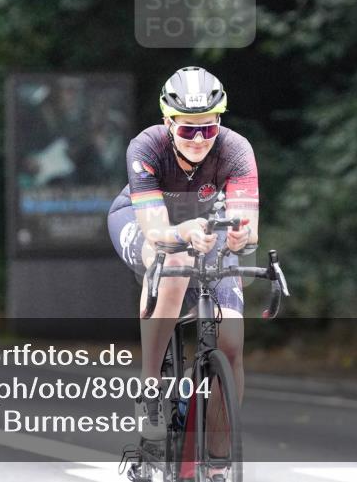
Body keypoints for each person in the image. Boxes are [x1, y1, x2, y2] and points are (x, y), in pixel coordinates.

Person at [107, 67, 259, 454]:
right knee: (172, 262)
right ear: (167, 122)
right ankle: (150, 389)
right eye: (187, 128)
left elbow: (248, 226)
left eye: (207, 129)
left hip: (208, 226)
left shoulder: (236, 149)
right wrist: (181, 233)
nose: (197, 138)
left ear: (219, 123)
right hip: (147, 223)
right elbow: (157, 230)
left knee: (231, 340)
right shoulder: (146, 146)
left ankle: (219, 458)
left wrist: (243, 236)